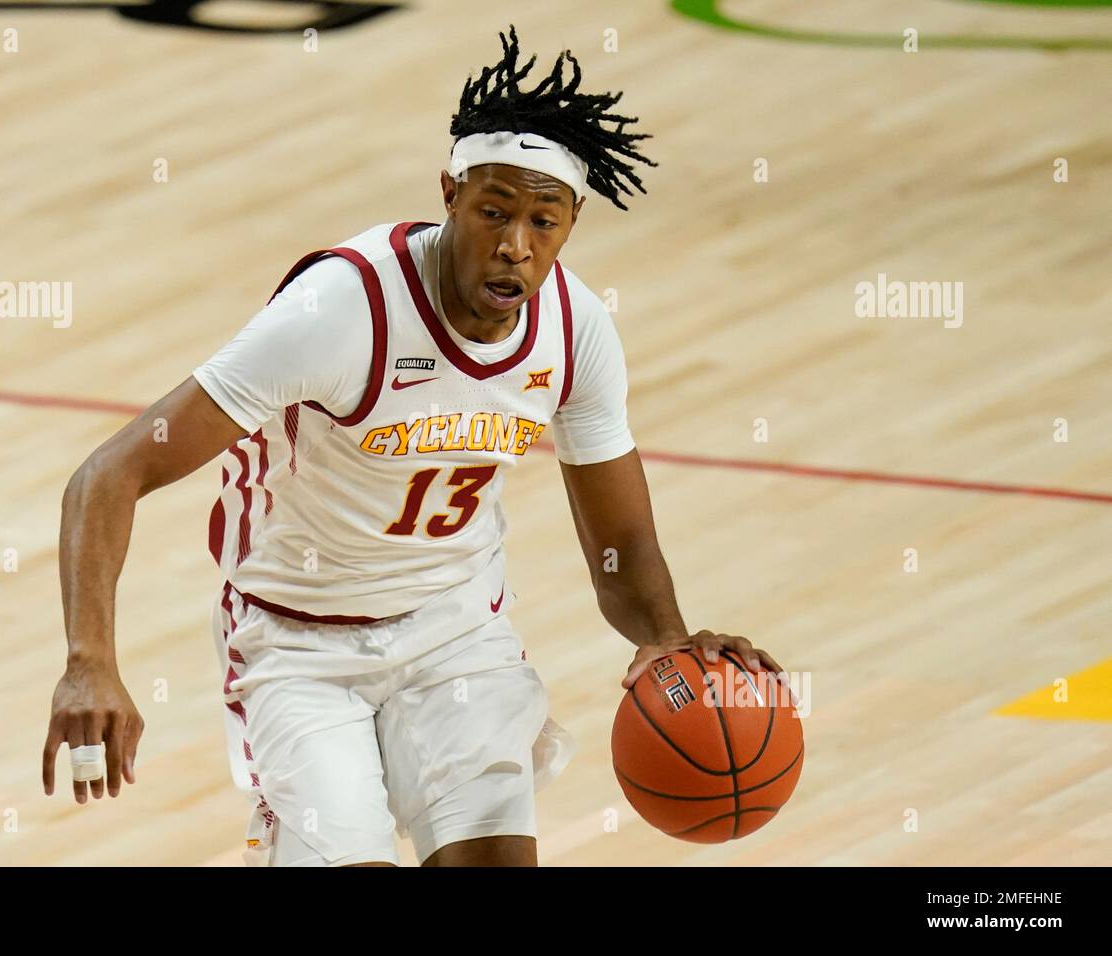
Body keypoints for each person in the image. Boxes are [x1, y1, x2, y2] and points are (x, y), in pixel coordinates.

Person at [42, 25, 784, 867]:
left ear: (572, 222)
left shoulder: (576, 330)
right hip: (297, 639)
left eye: (543, 221)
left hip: (455, 632)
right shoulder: (341, 310)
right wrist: (88, 661)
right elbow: (109, 473)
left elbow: (621, 541)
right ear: (450, 195)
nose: (515, 245)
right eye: (494, 212)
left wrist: (666, 639)